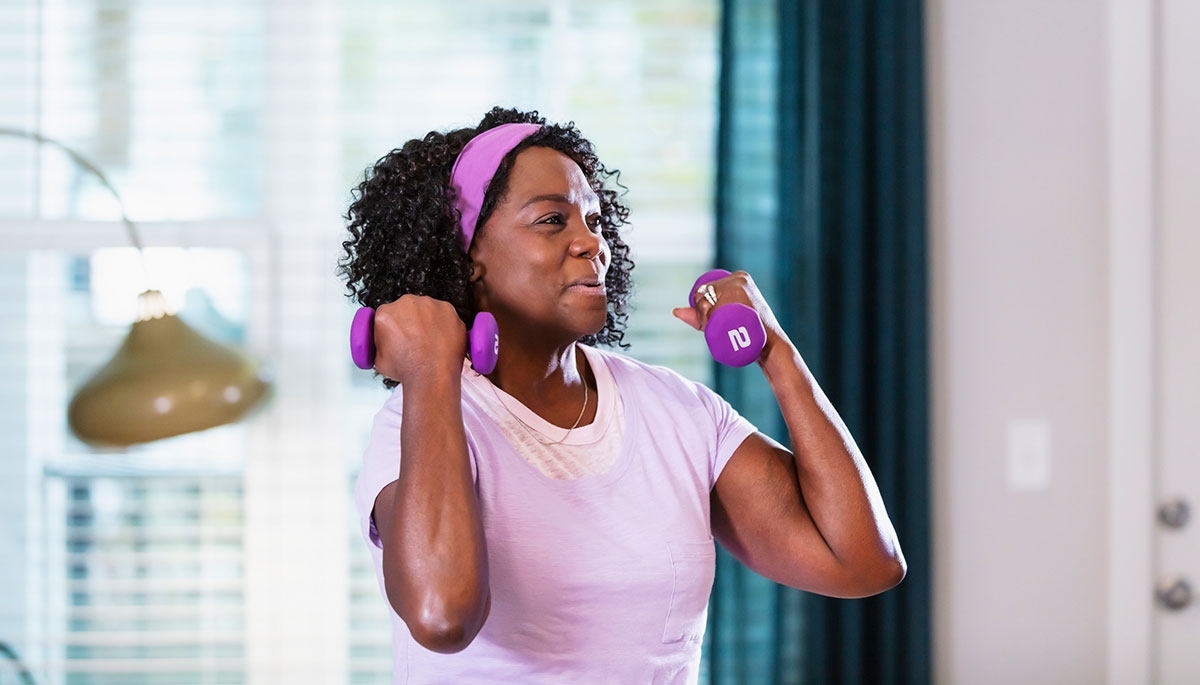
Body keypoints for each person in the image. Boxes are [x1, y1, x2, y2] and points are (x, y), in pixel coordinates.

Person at [337, 107, 906, 684]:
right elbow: (441, 616)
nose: (592, 244)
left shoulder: (678, 412)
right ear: (467, 257)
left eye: (595, 220)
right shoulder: (419, 421)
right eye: (552, 220)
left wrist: (775, 351)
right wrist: (430, 372)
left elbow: (863, 563)